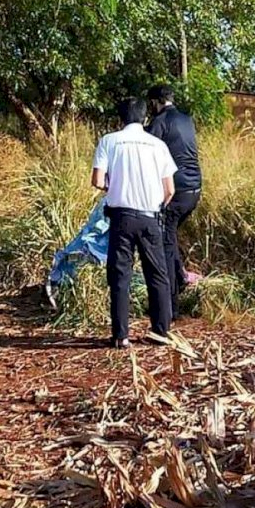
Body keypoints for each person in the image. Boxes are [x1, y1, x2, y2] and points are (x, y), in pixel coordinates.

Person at [92, 98, 177, 348]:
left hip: (121, 217)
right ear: (145, 117)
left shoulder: (109, 141)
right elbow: (169, 189)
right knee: (158, 275)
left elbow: (97, 180)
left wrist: (114, 186)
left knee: (120, 276)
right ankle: (161, 331)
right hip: (150, 216)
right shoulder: (157, 144)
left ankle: (121, 335)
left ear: (121, 118)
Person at [146, 85, 202, 319]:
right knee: (170, 236)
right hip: (194, 188)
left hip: (174, 191)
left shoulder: (159, 122)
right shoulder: (186, 118)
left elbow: (145, 152)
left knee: (165, 244)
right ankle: (179, 279)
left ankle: (171, 307)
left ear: (156, 102)